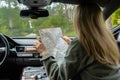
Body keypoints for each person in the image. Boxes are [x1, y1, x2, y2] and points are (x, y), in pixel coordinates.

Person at [33, 3, 120, 80]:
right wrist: (71, 44)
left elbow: (57, 76)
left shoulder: (81, 43)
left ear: (78, 21)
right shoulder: (109, 39)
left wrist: (45, 53)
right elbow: (90, 57)